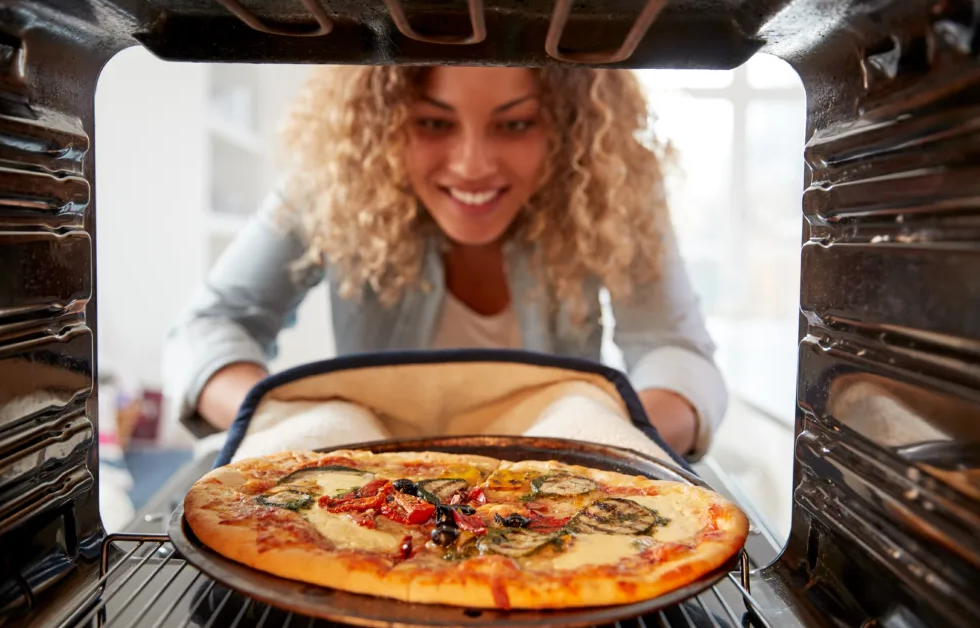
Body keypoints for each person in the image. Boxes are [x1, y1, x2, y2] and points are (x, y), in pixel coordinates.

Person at [162, 66, 726, 458]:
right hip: (371, 505)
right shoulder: (333, 184)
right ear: (383, 124)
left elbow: (672, 349)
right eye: (433, 123)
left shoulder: (610, 189)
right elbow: (212, 326)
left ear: (568, 126)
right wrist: (292, 422)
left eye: (515, 123)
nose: (473, 164)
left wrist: (604, 437)